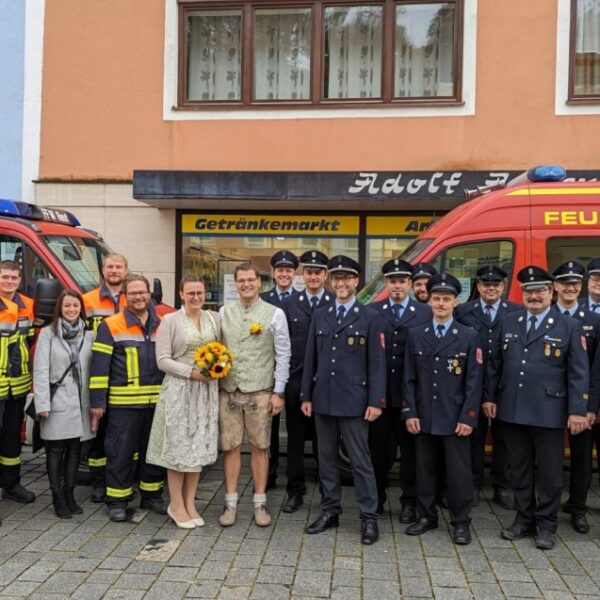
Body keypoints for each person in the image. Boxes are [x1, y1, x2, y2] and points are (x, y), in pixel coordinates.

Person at [484, 265, 589, 550]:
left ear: (551, 291)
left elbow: (579, 372)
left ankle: (547, 525)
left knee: (551, 474)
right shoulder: (510, 321)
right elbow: (495, 364)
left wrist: (578, 410)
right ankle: (524, 519)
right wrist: (490, 398)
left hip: (549, 411)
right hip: (513, 409)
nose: (534, 296)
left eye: (540, 290)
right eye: (529, 291)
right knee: (519, 470)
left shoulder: (568, 326)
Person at [301, 255, 386, 546]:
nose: (341, 283)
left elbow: (377, 363)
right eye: (337, 278)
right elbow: (310, 358)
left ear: (356, 282)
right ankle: (330, 510)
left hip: (355, 402)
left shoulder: (370, 317)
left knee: (361, 461)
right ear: (330, 281)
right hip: (323, 399)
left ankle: (368, 517)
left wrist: (376, 401)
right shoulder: (321, 315)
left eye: (347, 278)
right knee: (325, 460)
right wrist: (306, 395)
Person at [402, 273, 483, 545]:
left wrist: (469, 417)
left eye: (446, 299)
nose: (440, 303)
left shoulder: (469, 336)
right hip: (424, 416)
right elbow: (409, 378)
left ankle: (461, 522)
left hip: (455, 418)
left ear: (455, 302)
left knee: (459, 474)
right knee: (425, 470)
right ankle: (427, 516)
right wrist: (410, 412)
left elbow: (474, 382)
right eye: (436, 298)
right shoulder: (416, 335)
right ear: (429, 302)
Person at [89, 275, 166, 522]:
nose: (138, 296)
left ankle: (151, 495)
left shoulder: (162, 324)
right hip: (123, 405)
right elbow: (99, 367)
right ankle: (118, 500)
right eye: (132, 293)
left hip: (156, 402)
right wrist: (98, 402)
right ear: (125, 296)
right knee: (120, 453)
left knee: (152, 453)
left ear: (149, 294)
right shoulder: (111, 325)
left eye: (142, 292)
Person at [219, 262, 290, 527]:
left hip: (261, 391)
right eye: (241, 281)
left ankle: (260, 503)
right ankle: (230, 503)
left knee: (261, 448)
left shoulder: (275, 313)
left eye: (251, 279)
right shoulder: (223, 312)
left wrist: (278, 391)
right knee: (231, 448)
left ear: (259, 282)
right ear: (235, 284)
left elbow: (284, 354)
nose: (246, 284)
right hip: (229, 391)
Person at [147, 275, 220, 529]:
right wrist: (191, 372)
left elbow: (220, 351)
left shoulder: (213, 318)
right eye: (191, 293)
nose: (196, 297)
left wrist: (218, 368)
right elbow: (162, 359)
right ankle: (175, 504)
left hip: (205, 392)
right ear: (181, 294)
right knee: (179, 447)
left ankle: (190, 503)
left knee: (197, 447)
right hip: (180, 389)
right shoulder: (170, 321)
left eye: (200, 292)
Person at [368, 258, 431, 521]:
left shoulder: (425, 312)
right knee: (378, 452)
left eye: (402, 281)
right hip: (380, 396)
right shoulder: (372, 310)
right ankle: (377, 498)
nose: (397, 286)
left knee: (410, 454)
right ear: (386, 283)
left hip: (410, 397)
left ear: (410, 284)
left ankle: (409, 501)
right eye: (392, 281)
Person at [454, 265, 521, 509]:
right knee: (474, 435)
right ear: (478, 287)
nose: (490, 288)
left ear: (503, 287)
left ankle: (501, 486)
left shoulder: (516, 311)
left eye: (495, 285)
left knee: (503, 437)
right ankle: (472, 483)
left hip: (505, 384)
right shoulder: (463, 311)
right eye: (485, 285)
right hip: (473, 383)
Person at [33, 289, 95, 518]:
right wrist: (42, 404)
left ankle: (70, 494)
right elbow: (40, 369)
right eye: (67, 306)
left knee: (76, 450)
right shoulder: (48, 334)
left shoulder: (89, 335)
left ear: (81, 309)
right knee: (56, 449)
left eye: (75, 306)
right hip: (57, 399)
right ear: (60, 308)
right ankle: (57, 496)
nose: (71, 310)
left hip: (81, 403)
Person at [281, 250, 333, 513]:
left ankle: (327, 492)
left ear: (326, 276)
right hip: (297, 381)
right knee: (296, 440)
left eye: (318, 272)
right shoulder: (289, 305)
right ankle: (295, 491)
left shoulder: (336, 302)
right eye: (309, 272)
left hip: (326, 384)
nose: (313, 277)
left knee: (326, 442)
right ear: (303, 275)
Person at [552, 260, 600, 534]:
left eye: (575, 284)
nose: (571, 288)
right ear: (555, 287)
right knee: (548, 457)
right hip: (549, 400)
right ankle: (547, 505)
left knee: (581, 459)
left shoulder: (594, 320)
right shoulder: (545, 314)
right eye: (565, 283)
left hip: (579, 403)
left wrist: (589, 405)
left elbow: (595, 369)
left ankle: (578, 508)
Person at [83, 253, 128, 503]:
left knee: (124, 435)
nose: (114, 270)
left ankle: (124, 480)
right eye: (110, 266)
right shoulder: (87, 300)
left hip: (123, 377)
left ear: (126, 270)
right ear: (103, 270)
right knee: (98, 433)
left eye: (118, 267)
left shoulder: (133, 297)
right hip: (96, 371)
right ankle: (98, 484)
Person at [260, 250, 299, 490]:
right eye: (280, 270)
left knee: (295, 427)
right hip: (268, 372)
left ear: (295, 273)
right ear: (274, 273)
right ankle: (269, 476)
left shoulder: (303, 299)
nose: (284, 274)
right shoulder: (262, 300)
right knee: (268, 428)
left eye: (288, 270)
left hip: (295, 372)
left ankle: (294, 477)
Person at [0, 260, 36, 504]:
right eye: (4, 277)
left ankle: (12, 485)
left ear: (20, 281)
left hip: (18, 384)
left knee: (12, 439)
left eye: (13, 278)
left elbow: (29, 340)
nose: (9, 282)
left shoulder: (28, 306)